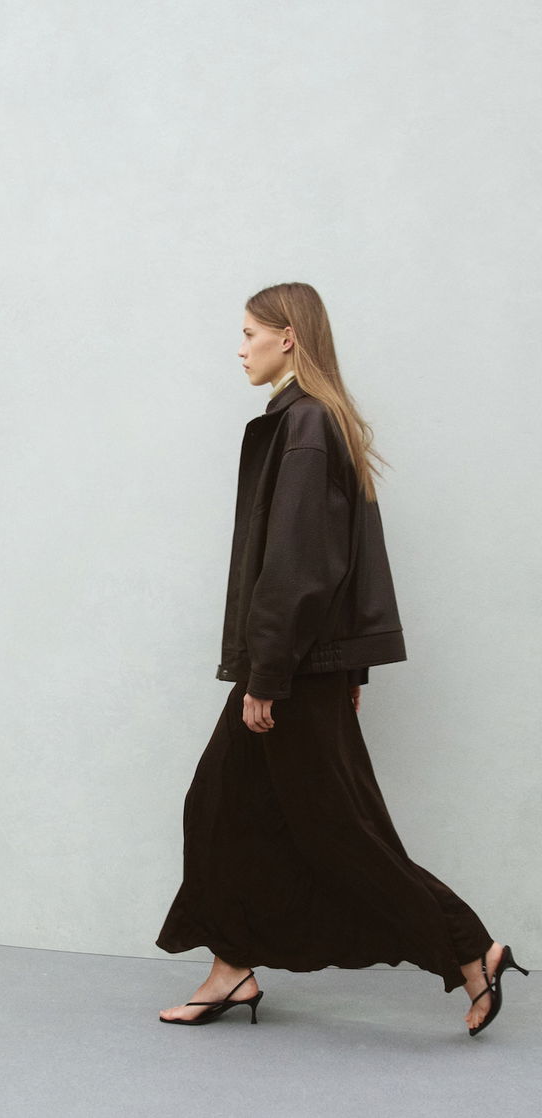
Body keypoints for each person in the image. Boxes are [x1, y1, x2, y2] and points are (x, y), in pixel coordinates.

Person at [155, 282, 527, 1035]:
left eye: (249, 333)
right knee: (228, 807)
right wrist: (343, 667)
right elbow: (340, 557)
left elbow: (301, 564)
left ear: (287, 336)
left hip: (291, 670)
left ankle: (470, 951)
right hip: (305, 665)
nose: (240, 348)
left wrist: (269, 676)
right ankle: (231, 968)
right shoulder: (310, 422)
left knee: (336, 828)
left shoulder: (305, 424)